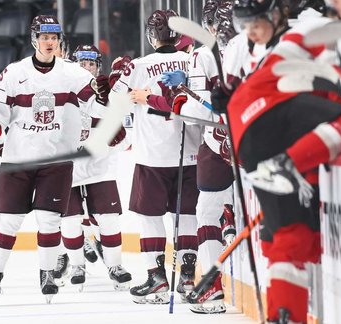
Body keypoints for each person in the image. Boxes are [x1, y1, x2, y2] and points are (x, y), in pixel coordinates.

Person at [0, 14, 113, 305]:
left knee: (50, 221)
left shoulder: (74, 74)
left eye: (54, 38)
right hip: (19, 159)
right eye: (44, 37)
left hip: (56, 161)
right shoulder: (13, 73)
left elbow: (98, 110)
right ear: (34, 39)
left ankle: (47, 274)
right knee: (8, 222)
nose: (49, 42)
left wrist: (105, 95)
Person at [224, 1, 341, 322]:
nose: (250, 31)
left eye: (255, 22)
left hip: (254, 131)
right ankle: (286, 164)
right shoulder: (314, 30)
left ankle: (284, 315)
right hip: (266, 121)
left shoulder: (304, 32)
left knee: (293, 235)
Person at [109, 9, 203, 304]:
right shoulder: (192, 60)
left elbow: (115, 104)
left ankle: (156, 279)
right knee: (187, 214)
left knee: (149, 217)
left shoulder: (137, 65)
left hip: (152, 156)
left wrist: (116, 79)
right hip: (191, 152)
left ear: (152, 36)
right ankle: (188, 278)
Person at [161, 0, 237, 314]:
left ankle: (214, 287)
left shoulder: (203, 55)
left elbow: (194, 115)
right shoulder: (256, 48)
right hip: (249, 145)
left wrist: (180, 98)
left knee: (207, 213)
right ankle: (230, 218)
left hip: (222, 148)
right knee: (218, 211)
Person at [58, 44, 132, 291]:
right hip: (68, 170)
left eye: (91, 63)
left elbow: (127, 137)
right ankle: (78, 266)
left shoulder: (109, 92)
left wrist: (114, 141)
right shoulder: (63, 89)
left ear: (97, 66)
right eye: (82, 62)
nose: (87, 67)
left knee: (109, 220)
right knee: (69, 221)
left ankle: (115, 265)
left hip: (101, 168)